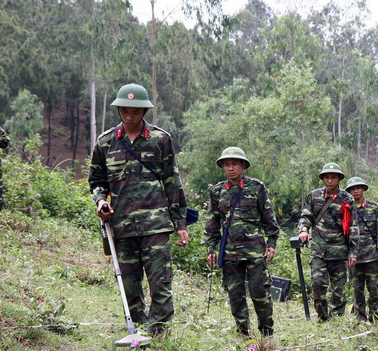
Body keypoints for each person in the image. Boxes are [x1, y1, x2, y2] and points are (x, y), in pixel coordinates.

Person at [89, 83, 189, 337]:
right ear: (119, 111)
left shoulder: (160, 140)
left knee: (160, 283)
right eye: (125, 111)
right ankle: (137, 333)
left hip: (156, 225)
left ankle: (159, 334)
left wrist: (180, 224)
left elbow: (172, 182)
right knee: (129, 285)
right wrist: (101, 202)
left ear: (144, 111)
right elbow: (97, 182)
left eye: (135, 111)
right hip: (121, 226)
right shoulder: (105, 143)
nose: (130, 117)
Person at [204, 147, 280, 337]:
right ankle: (243, 332)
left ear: (243, 166)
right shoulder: (217, 191)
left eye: (235, 164)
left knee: (260, 292)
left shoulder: (256, 187)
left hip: (254, 251)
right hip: (229, 251)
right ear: (222, 167)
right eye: (227, 165)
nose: (231, 168)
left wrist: (272, 242)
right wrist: (210, 249)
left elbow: (268, 216)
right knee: (235, 295)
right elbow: (212, 222)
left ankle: (266, 332)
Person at [297, 163, 359, 321]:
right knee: (317, 285)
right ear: (323, 178)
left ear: (339, 179)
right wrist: (304, 230)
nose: (330, 180)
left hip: (339, 251)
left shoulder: (347, 198)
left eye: (333, 177)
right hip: (319, 249)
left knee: (338, 289)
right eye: (327, 177)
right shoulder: (314, 195)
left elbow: (353, 226)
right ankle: (323, 317)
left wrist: (353, 252)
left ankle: (337, 320)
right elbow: (306, 215)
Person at [345, 176, 378, 322]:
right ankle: (360, 317)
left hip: (372, 255)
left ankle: (374, 316)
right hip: (353, 256)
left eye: (358, 188)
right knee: (357, 288)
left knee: (374, 288)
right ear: (349, 191)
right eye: (352, 189)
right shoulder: (346, 208)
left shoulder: (374, 207)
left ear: (363, 189)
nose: (356, 191)